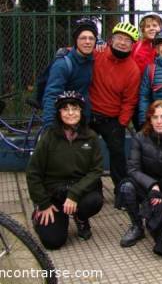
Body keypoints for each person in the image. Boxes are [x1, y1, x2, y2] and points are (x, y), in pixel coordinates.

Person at [26, 91, 103, 249]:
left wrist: (74, 194)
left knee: (94, 200)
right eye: (65, 109)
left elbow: (96, 170)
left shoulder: (91, 137)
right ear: (59, 112)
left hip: (78, 191)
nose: (70, 113)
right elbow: (33, 172)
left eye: (74, 108)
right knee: (53, 242)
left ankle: (80, 218)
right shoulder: (49, 137)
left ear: (81, 111)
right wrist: (43, 203)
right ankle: (40, 215)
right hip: (53, 194)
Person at [118, 100, 162, 256]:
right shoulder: (139, 138)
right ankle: (137, 227)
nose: (159, 121)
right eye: (154, 117)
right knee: (126, 187)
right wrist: (152, 186)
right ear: (149, 119)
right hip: (149, 188)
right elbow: (132, 169)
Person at [89, 21, 141, 197]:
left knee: (118, 156)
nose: (123, 43)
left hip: (112, 118)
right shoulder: (98, 54)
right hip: (89, 114)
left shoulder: (132, 69)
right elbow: (79, 51)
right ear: (111, 39)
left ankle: (122, 191)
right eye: (119, 38)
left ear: (132, 45)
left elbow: (129, 100)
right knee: (87, 153)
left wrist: (122, 123)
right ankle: (92, 189)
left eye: (128, 41)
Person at [42, 18, 98, 129]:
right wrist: (50, 127)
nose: (87, 42)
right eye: (83, 38)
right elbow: (52, 95)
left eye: (91, 38)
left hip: (82, 120)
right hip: (64, 121)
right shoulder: (63, 64)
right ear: (76, 40)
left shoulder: (91, 60)